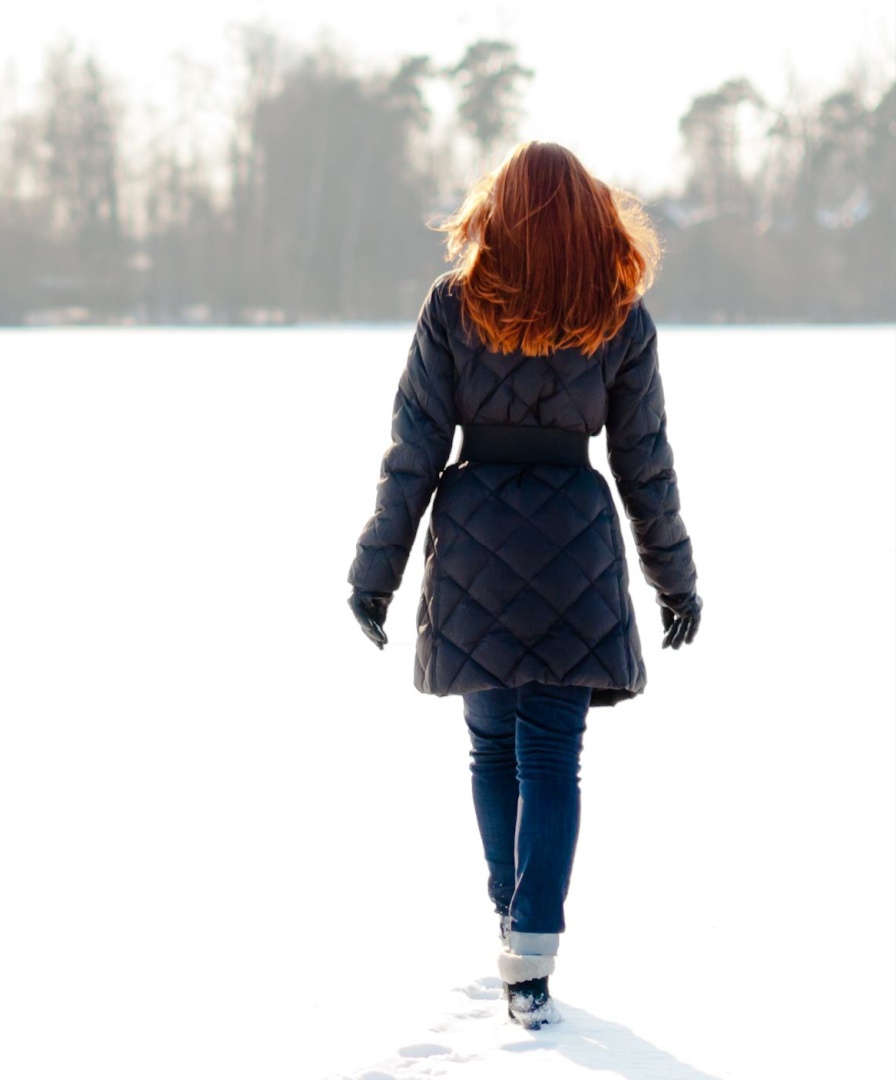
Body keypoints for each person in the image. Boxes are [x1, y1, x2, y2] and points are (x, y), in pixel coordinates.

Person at [344, 141, 705, 1030]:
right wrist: (675, 578)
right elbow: (645, 466)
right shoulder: (619, 315)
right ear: (591, 216)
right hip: (576, 546)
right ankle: (531, 949)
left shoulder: (453, 306)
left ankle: (511, 917)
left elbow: (414, 453)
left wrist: (375, 572)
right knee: (552, 755)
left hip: (473, 544)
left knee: (492, 751)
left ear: (496, 214)